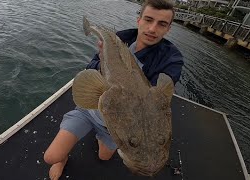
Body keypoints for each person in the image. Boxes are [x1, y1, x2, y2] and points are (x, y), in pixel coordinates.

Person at [43, 0, 184, 179]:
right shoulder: (119, 38)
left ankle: (101, 135)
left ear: (168, 29)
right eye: (148, 20)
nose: (152, 29)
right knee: (51, 157)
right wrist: (102, 58)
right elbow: (89, 70)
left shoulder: (171, 58)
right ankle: (62, 160)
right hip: (90, 111)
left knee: (104, 156)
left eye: (162, 24)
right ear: (138, 20)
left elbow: (162, 90)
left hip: (112, 126)